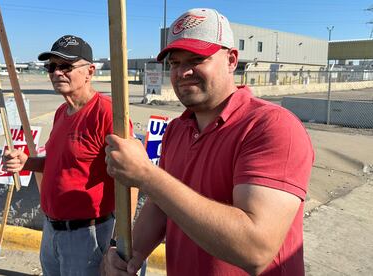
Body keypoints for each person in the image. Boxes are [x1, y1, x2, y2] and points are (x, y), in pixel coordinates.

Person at [102, 8, 313, 276]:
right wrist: (128, 256)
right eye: (175, 63)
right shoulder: (177, 129)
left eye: (196, 59)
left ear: (231, 60)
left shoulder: (271, 126)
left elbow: (255, 249)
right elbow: (160, 205)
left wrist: (146, 175)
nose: (183, 72)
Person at [2, 35, 133, 275]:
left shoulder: (107, 114)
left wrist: (119, 242)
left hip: (88, 236)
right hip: (51, 231)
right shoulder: (62, 111)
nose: (56, 73)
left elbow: (131, 180)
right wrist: (27, 162)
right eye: (51, 66)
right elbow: (60, 163)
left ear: (89, 71)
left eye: (66, 66)